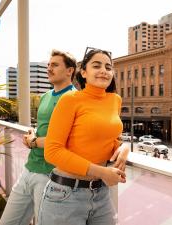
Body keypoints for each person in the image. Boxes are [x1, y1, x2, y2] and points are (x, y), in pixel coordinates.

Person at [37, 48, 129, 225]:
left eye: (108, 67)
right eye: (96, 65)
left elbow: (108, 137)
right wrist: (102, 172)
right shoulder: (70, 99)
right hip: (65, 195)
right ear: (84, 72)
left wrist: (123, 148)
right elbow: (52, 151)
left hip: (101, 194)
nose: (104, 70)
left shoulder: (115, 100)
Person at [0, 50, 77, 225]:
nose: (49, 68)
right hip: (29, 169)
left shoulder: (75, 98)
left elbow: (71, 140)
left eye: (55, 65)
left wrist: (34, 142)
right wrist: (33, 133)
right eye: (49, 65)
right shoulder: (45, 96)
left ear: (70, 70)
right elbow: (43, 126)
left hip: (52, 175)